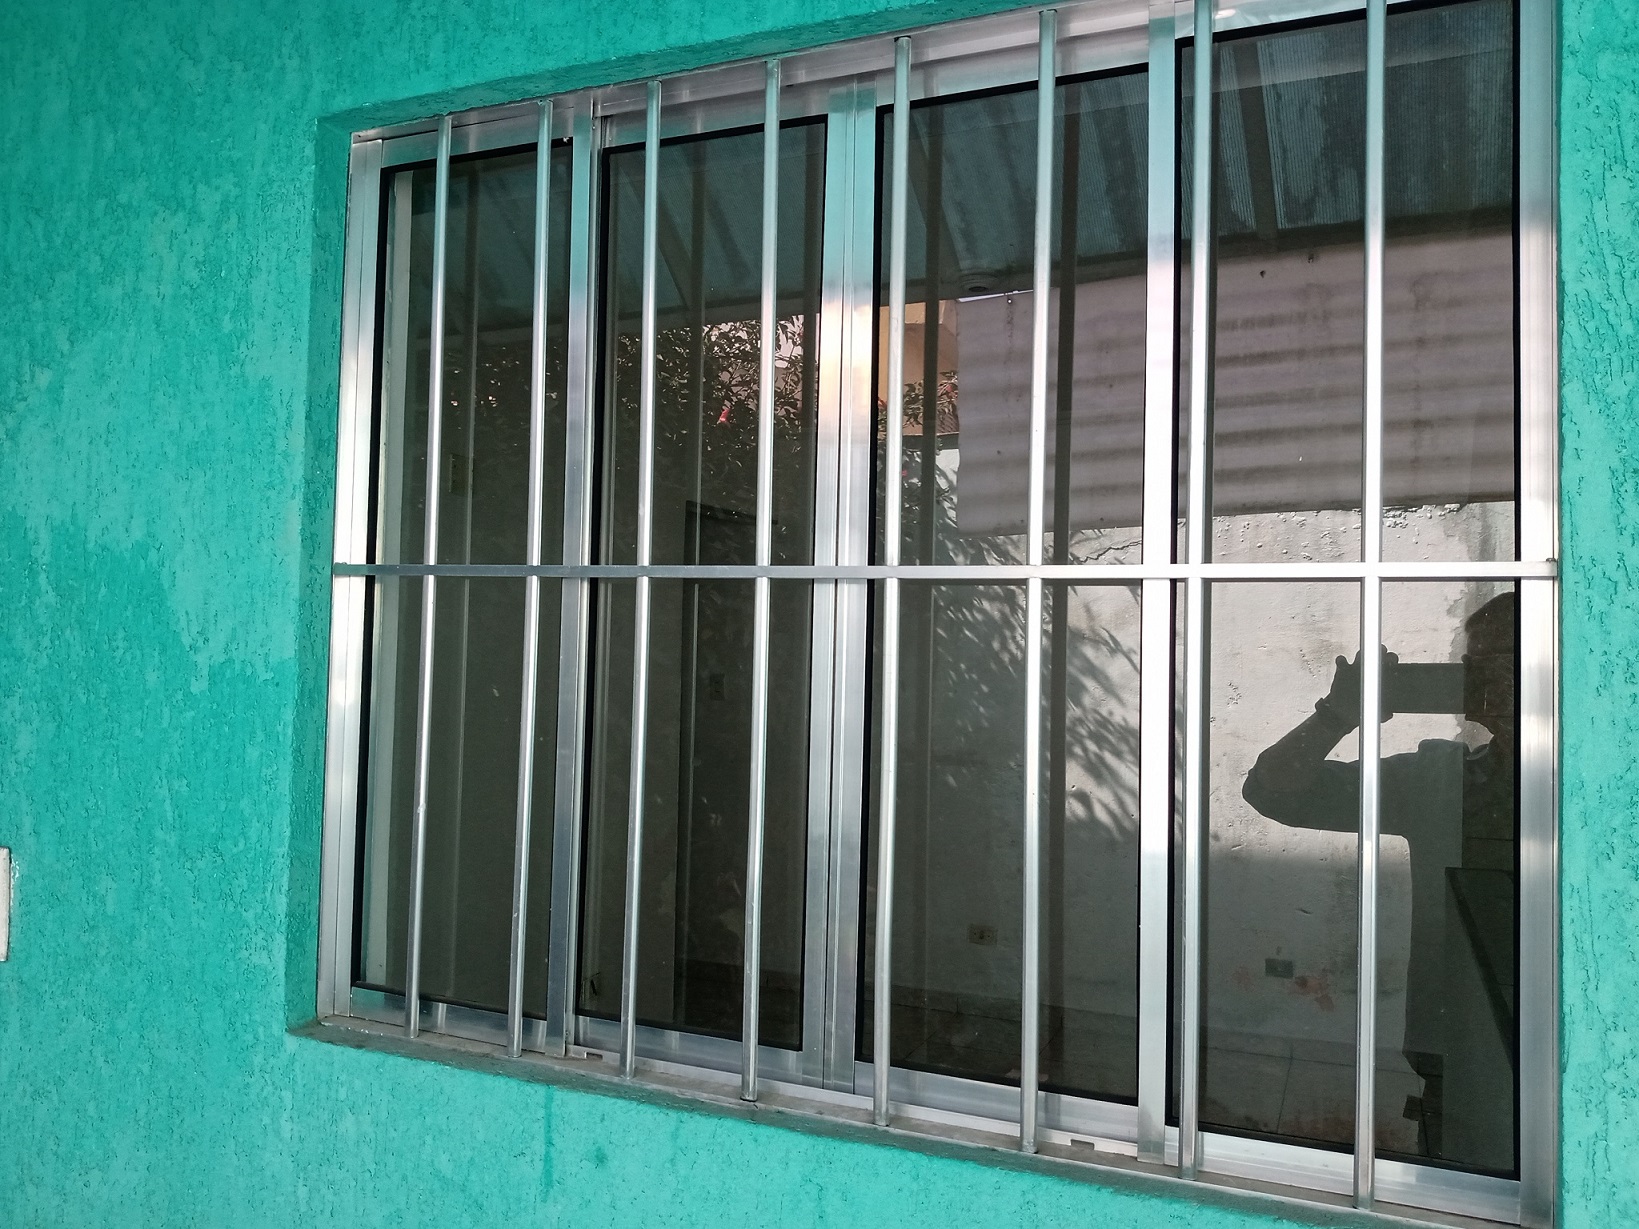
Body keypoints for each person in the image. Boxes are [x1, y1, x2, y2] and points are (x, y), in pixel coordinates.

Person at [1241, 592, 1516, 1166]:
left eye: (1507, 665)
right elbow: (1272, 792)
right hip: (1460, 1080)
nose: (1490, 683)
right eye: (1476, 670)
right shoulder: (1441, 782)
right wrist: (1338, 714)